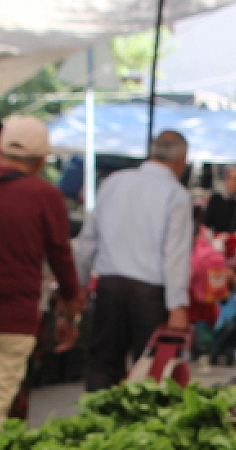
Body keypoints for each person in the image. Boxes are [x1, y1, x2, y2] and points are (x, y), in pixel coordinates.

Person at [0, 115, 81, 436]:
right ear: (40, 160)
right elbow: (61, 257)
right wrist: (71, 306)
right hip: (15, 320)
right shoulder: (44, 195)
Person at [75, 130, 192, 390]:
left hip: (110, 286)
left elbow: (88, 241)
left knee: (103, 364)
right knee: (150, 371)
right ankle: (142, 428)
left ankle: (97, 423)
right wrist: (177, 306)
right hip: (149, 293)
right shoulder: (177, 195)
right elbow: (175, 255)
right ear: (181, 160)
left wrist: (80, 284)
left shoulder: (113, 182)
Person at [204, 165, 236, 235]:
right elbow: (207, 224)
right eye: (231, 178)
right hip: (217, 241)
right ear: (226, 180)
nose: (234, 182)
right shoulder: (216, 199)